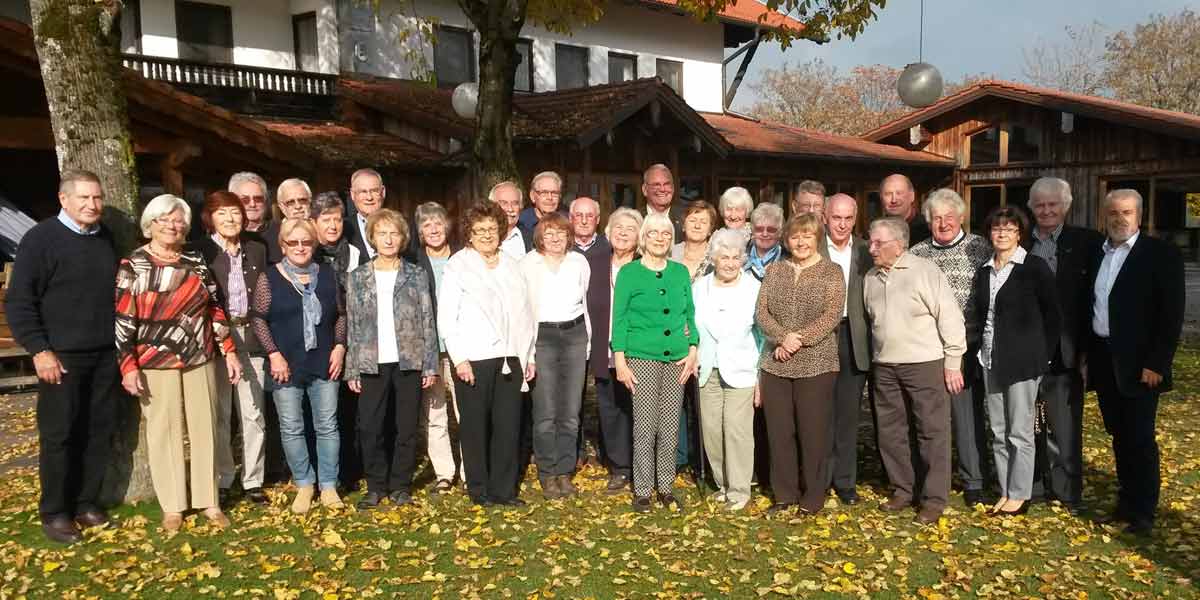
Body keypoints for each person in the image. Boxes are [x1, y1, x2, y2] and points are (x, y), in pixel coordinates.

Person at [5, 169, 119, 543]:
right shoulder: (41, 239)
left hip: (105, 354)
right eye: (84, 198)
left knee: (98, 431)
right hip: (61, 356)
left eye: (97, 198)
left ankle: (86, 503)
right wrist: (40, 350)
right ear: (64, 199)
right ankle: (55, 511)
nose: (92, 204)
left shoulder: (105, 238)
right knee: (60, 435)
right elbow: (20, 303)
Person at [115, 194, 241, 532]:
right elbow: (124, 318)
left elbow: (215, 308)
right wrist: (128, 365)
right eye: (164, 219)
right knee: (163, 431)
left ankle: (208, 501)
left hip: (199, 356)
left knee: (205, 428)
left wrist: (228, 349)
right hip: (154, 360)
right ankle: (173, 506)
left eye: (177, 220)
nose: (172, 225)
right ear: (150, 225)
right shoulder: (134, 265)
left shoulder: (195, 260)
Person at [1087, 189, 1184, 536]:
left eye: (1126, 212)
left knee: (1140, 440)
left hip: (1141, 366)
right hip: (1105, 361)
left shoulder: (1160, 254)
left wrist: (1157, 363)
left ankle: (1143, 513)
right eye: (1113, 212)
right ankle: (1125, 504)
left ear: (1139, 216)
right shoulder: (1100, 253)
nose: (1119, 218)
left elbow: (1171, 315)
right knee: (1118, 436)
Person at [865, 217, 966, 525]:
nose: (871, 249)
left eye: (878, 243)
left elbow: (950, 317)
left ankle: (934, 499)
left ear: (898, 245)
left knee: (931, 432)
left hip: (924, 365)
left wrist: (953, 362)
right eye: (870, 242)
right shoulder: (870, 277)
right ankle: (902, 490)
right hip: (885, 366)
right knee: (891, 433)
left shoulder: (924, 271)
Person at [438, 201, 536, 507]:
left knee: (508, 426)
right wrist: (459, 358)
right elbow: (446, 316)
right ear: (469, 233)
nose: (486, 235)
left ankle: (504, 491)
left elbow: (526, 314)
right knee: (475, 426)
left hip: (511, 358)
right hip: (473, 358)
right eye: (479, 230)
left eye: (492, 229)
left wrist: (528, 355)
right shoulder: (458, 265)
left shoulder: (512, 265)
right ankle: (479, 490)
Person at [251, 218, 347, 514]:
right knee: (292, 428)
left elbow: (341, 315)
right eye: (293, 242)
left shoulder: (328, 276)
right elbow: (258, 318)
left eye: (306, 242)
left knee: (327, 426)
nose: (300, 247)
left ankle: (329, 485)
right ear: (283, 245)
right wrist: (273, 353)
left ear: (313, 244)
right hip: (286, 365)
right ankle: (305, 483)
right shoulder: (270, 277)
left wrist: (341, 347)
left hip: (323, 361)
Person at [345, 209, 439, 509]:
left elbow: (427, 319)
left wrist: (430, 363)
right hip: (371, 362)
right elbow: (352, 325)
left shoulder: (415, 274)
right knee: (371, 427)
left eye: (394, 233)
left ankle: (400, 485)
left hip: (408, 361)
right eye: (382, 233)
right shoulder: (358, 277)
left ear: (402, 238)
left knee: (406, 427)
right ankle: (376, 485)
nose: (388, 239)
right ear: (372, 237)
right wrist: (352, 369)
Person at [971, 207, 1061, 516]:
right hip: (990, 360)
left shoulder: (1034, 268)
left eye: (1009, 229)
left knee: (1019, 432)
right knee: (998, 430)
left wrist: (1042, 356)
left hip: (1023, 363)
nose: (1002, 234)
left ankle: (1021, 494)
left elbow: (1053, 316)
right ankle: (1005, 489)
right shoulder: (984, 270)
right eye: (997, 229)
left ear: (1019, 233)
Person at [908, 189, 992, 507]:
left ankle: (974, 481)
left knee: (966, 416)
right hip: (927, 350)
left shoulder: (979, 247)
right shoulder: (917, 254)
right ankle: (928, 479)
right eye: (936, 218)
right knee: (928, 419)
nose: (943, 223)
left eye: (949, 217)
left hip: (967, 346)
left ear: (960, 217)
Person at [755, 214, 845, 515]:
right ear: (787, 240)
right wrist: (782, 338)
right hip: (775, 363)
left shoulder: (832, 272)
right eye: (795, 236)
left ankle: (812, 496)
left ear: (817, 237)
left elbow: (832, 315)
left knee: (813, 432)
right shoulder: (775, 270)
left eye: (807, 236)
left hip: (817, 364)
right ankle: (785, 494)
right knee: (780, 432)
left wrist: (798, 340)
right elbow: (761, 313)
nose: (801, 242)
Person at [611, 212, 699, 512]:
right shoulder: (629, 273)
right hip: (642, 358)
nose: (660, 239)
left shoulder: (679, 272)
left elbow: (689, 315)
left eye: (665, 234)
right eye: (654, 233)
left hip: (677, 358)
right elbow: (619, 319)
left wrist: (693, 348)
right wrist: (620, 360)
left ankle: (666, 486)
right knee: (646, 426)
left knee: (670, 426)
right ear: (643, 238)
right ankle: (644, 491)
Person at [1025, 177, 1102, 514]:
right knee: (1029, 422)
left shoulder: (1087, 243)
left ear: (1065, 207)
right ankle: (1036, 484)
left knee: (1065, 425)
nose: (1046, 210)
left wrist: (1087, 351)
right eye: (1040, 205)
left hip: (1066, 352)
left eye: (1052, 204)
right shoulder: (1019, 243)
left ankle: (1068, 491)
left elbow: (1093, 301)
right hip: (1026, 352)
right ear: (1031, 208)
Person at [194, 191, 270, 507]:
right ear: (210, 218)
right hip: (216, 340)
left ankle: (253, 480)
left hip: (251, 335)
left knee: (253, 414)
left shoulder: (257, 247)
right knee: (221, 414)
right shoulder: (199, 251)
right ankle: (224, 477)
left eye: (235, 212)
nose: (230, 219)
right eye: (222, 213)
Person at [519, 213, 592, 499]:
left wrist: (586, 342)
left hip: (574, 335)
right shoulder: (528, 264)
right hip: (543, 338)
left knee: (571, 411)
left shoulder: (579, 263)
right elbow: (523, 309)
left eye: (560, 233)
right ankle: (547, 473)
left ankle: (565, 472)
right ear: (539, 236)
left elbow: (584, 300)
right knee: (546, 411)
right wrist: (528, 353)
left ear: (568, 236)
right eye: (548, 233)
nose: (554, 238)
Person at [693, 228, 762, 511]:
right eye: (724, 257)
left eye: (736, 257)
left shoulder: (754, 288)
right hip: (708, 368)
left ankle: (740, 489)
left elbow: (763, 336)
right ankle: (722, 484)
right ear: (714, 258)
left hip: (742, 370)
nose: (731, 263)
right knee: (712, 430)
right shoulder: (700, 287)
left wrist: (761, 377)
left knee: (736, 431)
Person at [819, 193, 873, 506]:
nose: (842, 224)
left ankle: (845, 482)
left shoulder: (866, 250)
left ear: (855, 219)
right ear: (825, 216)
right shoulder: (811, 247)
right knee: (820, 414)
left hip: (854, 338)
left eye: (848, 218)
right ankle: (820, 479)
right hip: (820, 338)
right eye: (836, 217)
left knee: (848, 416)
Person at [590, 208, 642, 493]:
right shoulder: (594, 262)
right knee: (610, 410)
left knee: (636, 408)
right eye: (618, 227)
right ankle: (620, 468)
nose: (622, 232)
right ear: (608, 232)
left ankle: (641, 464)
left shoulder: (644, 265)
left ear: (639, 237)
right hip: (602, 347)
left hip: (637, 351)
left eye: (630, 228)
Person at [414, 202, 464, 493]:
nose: (433, 230)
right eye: (426, 226)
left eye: (437, 223)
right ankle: (444, 472)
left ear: (447, 226)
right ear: (420, 232)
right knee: (434, 413)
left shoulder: (463, 258)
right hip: (430, 348)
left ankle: (471, 470)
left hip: (462, 347)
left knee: (466, 411)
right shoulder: (415, 262)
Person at [229, 172, 280, 263]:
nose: (252, 204)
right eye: (245, 200)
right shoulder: (225, 236)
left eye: (258, 199)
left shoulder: (281, 232)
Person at [670, 200, 718, 281]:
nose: (697, 226)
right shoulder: (671, 253)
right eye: (692, 220)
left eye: (703, 222)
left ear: (710, 229)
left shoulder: (716, 257)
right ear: (683, 225)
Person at [346, 168, 386, 260]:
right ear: (352, 194)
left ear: (383, 192)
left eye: (374, 191)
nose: (369, 197)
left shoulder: (403, 225)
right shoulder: (344, 228)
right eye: (363, 192)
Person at [880, 174, 931, 245]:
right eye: (888, 194)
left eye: (899, 193)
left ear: (912, 196)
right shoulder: (876, 231)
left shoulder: (929, 230)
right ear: (881, 198)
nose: (894, 200)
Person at [518, 171, 568, 239]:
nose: (550, 198)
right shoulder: (520, 222)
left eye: (554, 193)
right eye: (544, 192)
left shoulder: (567, 221)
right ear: (532, 196)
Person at [745, 202, 786, 282]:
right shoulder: (741, 257)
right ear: (752, 230)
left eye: (771, 230)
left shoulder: (788, 259)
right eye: (759, 229)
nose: (765, 234)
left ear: (779, 232)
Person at [490, 181, 531, 260]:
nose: (510, 209)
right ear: (491, 206)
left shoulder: (532, 238)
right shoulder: (480, 238)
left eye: (515, 203)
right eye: (504, 203)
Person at [641, 164, 684, 239]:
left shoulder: (686, 218)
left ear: (673, 188)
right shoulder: (634, 219)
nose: (662, 189)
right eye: (656, 185)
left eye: (667, 184)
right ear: (645, 189)